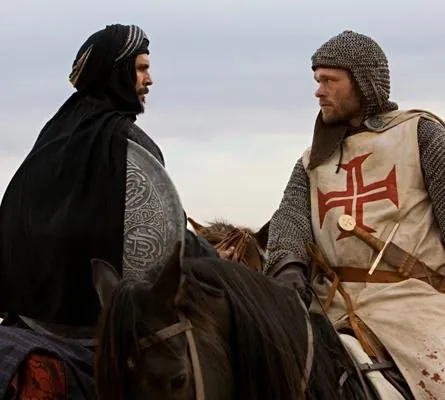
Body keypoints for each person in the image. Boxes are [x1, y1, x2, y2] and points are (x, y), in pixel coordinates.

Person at [0, 23, 217, 333]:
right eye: (141, 69)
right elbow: (170, 237)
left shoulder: (53, 135)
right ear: (117, 73)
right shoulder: (129, 142)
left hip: (30, 317)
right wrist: (216, 261)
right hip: (104, 325)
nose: (149, 80)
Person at [264, 30, 445, 399]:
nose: (319, 91)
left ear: (364, 83)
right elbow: (290, 220)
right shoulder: (313, 160)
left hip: (412, 303)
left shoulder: (420, 135)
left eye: (330, 81)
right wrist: (287, 269)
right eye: (318, 81)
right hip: (328, 306)